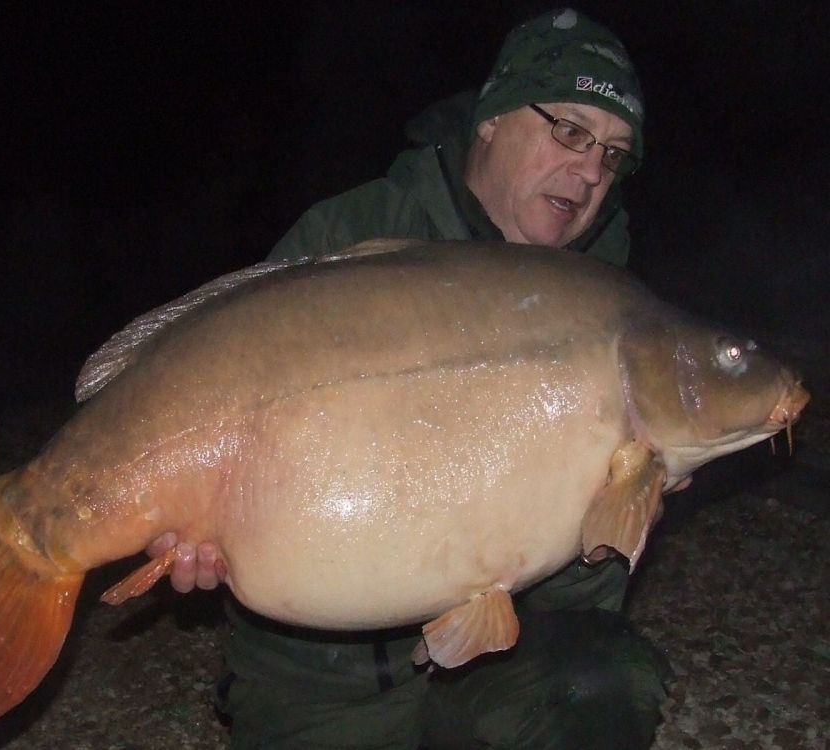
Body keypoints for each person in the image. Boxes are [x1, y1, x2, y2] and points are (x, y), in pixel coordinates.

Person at [149, 8, 670, 748]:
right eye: (570, 132)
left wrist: (624, 504)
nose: (590, 171)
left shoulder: (604, 304)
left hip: (506, 653)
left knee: (602, 683)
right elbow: (219, 394)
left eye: (613, 155)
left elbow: (580, 595)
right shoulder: (349, 234)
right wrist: (196, 525)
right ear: (491, 118)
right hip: (322, 673)